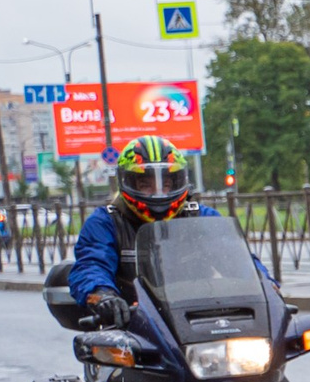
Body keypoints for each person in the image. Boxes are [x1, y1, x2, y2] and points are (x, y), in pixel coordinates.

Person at [66, 136, 213, 328]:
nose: (158, 192)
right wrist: (103, 297)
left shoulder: (202, 218)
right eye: (146, 185)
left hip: (198, 320)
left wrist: (265, 284)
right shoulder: (105, 222)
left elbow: (236, 258)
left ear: (179, 181)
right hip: (130, 324)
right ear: (128, 182)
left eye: (166, 184)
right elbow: (92, 265)